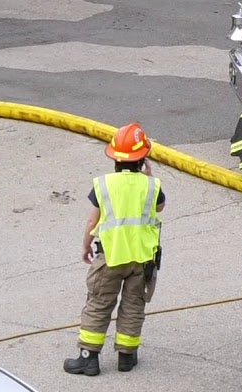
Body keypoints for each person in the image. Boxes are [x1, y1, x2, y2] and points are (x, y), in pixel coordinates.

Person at [64, 122, 165, 377]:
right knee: (133, 305)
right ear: (142, 159)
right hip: (142, 261)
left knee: (99, 303)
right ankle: (127, 357)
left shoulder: (104, 185)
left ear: (115, 158)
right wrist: (149, 178)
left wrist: (86, 246)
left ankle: (88, 358)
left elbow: (92, 220)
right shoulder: (151, 186)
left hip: (110, 256)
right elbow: (159, 208)